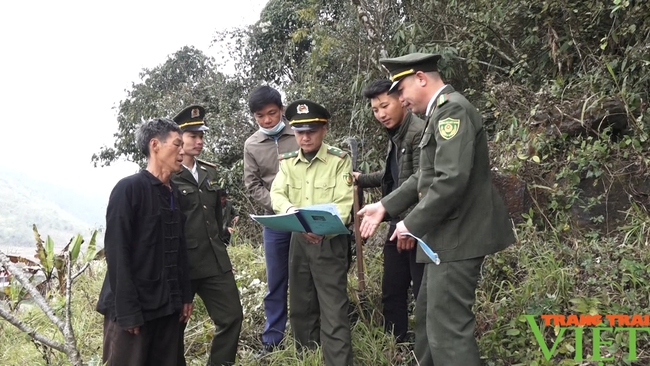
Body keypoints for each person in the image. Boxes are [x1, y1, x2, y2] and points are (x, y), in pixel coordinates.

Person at [358, 53, 515, 366]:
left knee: (448, 334)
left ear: (420, 78)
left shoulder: (452, 110)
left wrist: (410, 224)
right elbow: (424, 176)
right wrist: (385, 206)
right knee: (429, 322)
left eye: (400, 91)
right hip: (442, 239)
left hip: (458, 237)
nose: (400, 100)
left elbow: (450, 181)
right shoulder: (437, 115)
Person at [96, 118, 193, 366]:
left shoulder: (175, 193)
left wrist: (185, 295)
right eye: (177, 144)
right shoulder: (129, 189)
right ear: (155, 145)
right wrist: (127, 312)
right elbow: (117, 252)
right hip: (135, 311)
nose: (182, 151)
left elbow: (181, 249)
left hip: (169, 308)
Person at [270, 99, 354, 366]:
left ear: (324, 129)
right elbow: (277, 193)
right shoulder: (287, 162)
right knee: (301, 305)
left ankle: (337, 362)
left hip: (329, 242)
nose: (305, 137)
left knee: (333, 309)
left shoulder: (339, 160)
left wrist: (321, 228)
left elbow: (344, 204)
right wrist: (291, 209)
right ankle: (306, 357)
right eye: (299, 132)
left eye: (311, 131)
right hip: (299, 240)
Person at [353, 78, 426, 343]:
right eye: (375, 110)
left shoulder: (418, 132)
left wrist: (410, 226)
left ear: (402, 100)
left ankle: (426, 346)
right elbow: (391, 176)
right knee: (392, 289)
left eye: (385, 105)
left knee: (422, 291)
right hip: (398, 224)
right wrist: (361, 178)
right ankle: (396, 343)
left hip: (417, 227)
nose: (381, 114)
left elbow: (421, 181)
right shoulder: (396, 135)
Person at [171, 105, 243, 366]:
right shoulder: (169, 175)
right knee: (174, 329)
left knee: (232, 316)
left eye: (202, 136)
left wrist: (225, 235)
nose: (199, 141)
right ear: (178, 138)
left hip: (214, 260)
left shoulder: (209, 172)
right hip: (183, 265)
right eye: (193, 136)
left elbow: (218, 212)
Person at [243, 86, 298, 354]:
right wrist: (278, 206)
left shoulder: (300, 133)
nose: (267, 120)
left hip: (304, 218)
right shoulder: (252, 145)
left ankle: (307, 336)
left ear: (282, 110)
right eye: (260, 116)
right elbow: (252, 185)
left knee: (307, 278)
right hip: (275, 222)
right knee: (276, 281)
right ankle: (272, 342)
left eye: (272, 114)